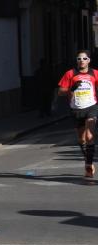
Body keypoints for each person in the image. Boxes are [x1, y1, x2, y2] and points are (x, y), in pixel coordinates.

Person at [58, 50, 98, 178]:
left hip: (91, 106)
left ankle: (89, 164)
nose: (82, 61)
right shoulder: (70, 73)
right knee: (81, 139)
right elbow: (60, 92)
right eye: (79, 59)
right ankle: (88, 158)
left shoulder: (95, 73)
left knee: (89, 135)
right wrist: (72, 88)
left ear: (89, 60)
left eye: (84, 58)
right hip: (76, 109)